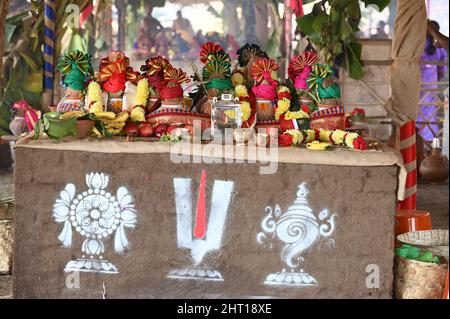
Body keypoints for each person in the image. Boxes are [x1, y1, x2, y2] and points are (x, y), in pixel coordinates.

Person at [418, 20, 448, 141]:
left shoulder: (417, 45)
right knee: (429, 115)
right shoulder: (439, 47)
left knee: (416, 115)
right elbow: (441, 70)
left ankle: (416, 141)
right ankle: (429, 141)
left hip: (417, 86)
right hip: (430, 87)